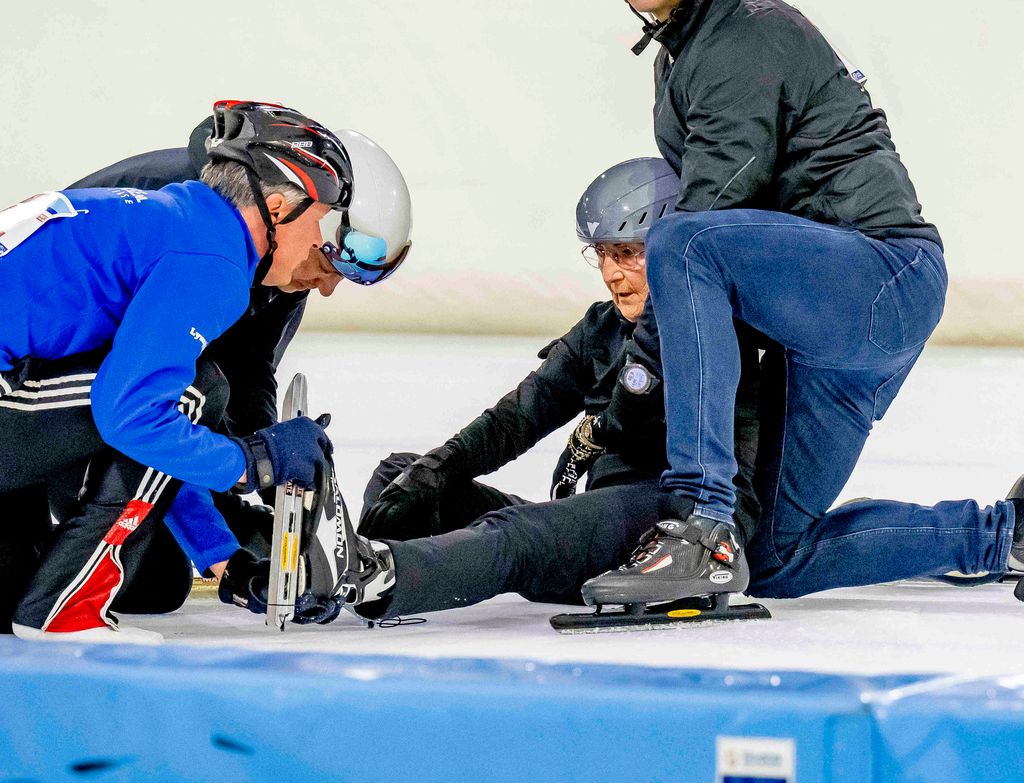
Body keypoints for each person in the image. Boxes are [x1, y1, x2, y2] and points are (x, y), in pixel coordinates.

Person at [576, 0, 1021, 612]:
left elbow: (711, 212)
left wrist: (635, 383)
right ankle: (1004, 537)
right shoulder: (685, 50)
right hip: (824, 318)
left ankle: (704, 521)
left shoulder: (745, 32)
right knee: (772, 559)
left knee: (680, 241)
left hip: (879, 280)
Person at [0, 100, 408, 640]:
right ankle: (62, 612)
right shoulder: (211, 260)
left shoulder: (180, 217)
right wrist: (254, 461)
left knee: (143, 581)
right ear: (281, 207)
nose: (324, 255)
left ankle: (53, 600)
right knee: (196, 391)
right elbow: (138, 416)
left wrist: (225, 562)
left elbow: (151, 429)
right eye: (324, 227)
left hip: (22, 382)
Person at [320, 157, 760, 621]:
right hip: (603, 521)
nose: (611, 273)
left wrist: (598, 429)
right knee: (403, 476)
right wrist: (434, 470)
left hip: (679, 528)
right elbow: (515, 420)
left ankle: (379, 574)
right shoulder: (601, 329)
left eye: (628, 253)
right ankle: (365, 555)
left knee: (514, 533)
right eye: (603, 254)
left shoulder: (714, 329)